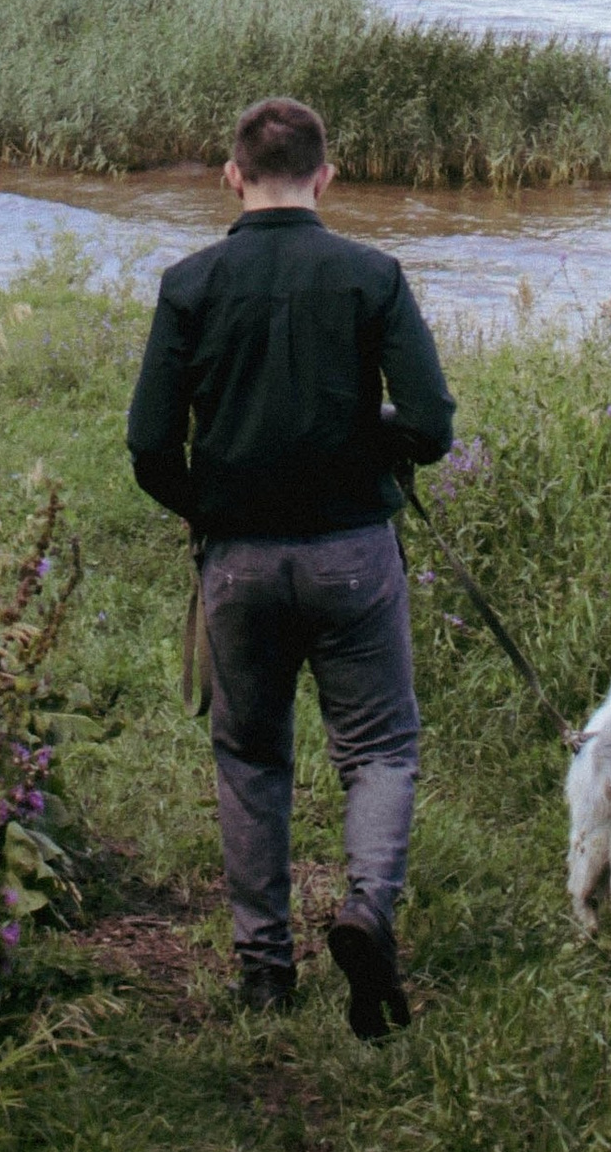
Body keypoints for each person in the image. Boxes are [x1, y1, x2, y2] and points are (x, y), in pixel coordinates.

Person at [125, 94, 456, 1035]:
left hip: (238, 562)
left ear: (233, 176)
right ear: (327, 176)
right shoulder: (372, 276)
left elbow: (149, 443)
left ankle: (266, 972)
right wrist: (374, 435)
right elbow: (431, 425)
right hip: (353, 553)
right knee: (379, 748)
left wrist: (211, 508)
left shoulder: (189, 283)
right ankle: (367, 910)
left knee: (251, 758)